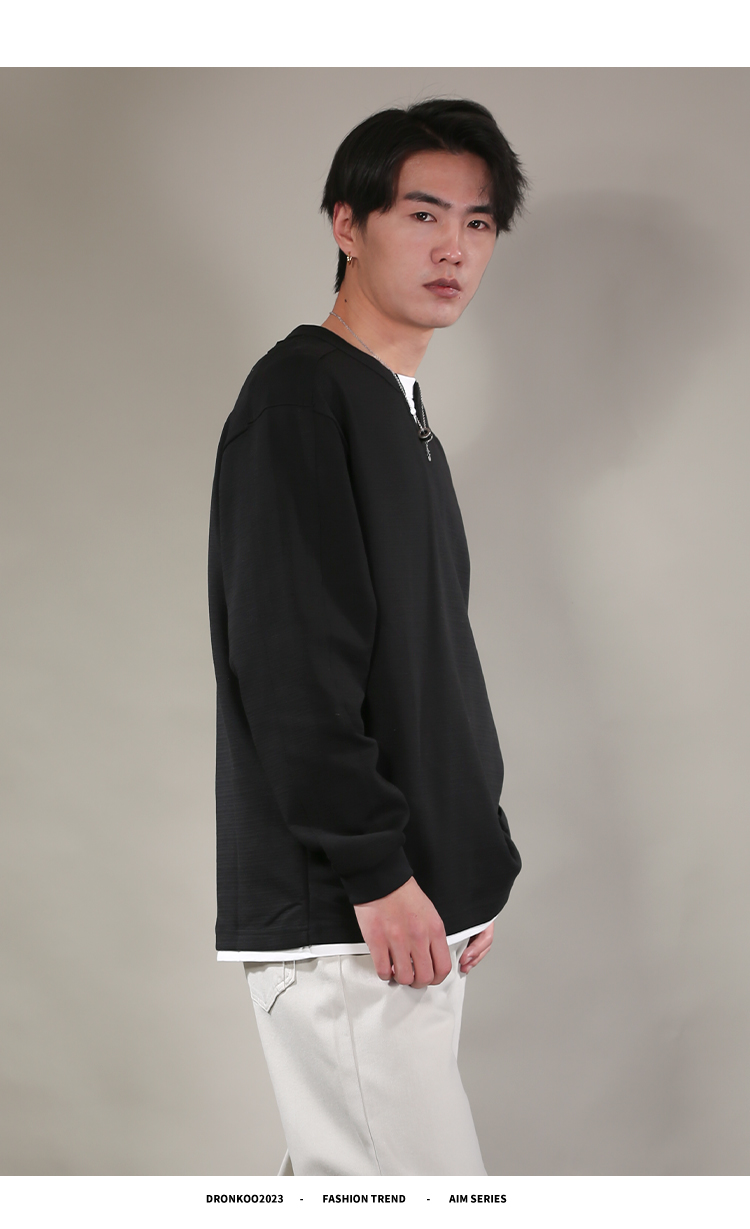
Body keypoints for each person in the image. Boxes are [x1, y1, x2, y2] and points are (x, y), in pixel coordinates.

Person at [207, 97, 526, 1177]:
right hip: (351, 918)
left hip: (407, 906)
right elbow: (292, 668)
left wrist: (465, 857)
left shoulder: (398, 408)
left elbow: (430, 666)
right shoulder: (302, 399)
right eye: (422, 214)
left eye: (478, 223)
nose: (453, 248)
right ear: (347, 224)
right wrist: (381, 872)